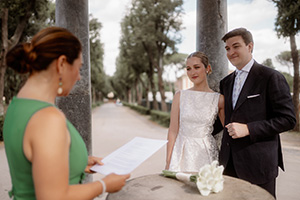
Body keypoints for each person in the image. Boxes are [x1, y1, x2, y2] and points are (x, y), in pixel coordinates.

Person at [3, 26, 130, 200]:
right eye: (79, 67)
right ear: (62, 64)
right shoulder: (48, 118)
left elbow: (34, 163)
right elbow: (53, 196)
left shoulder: (17, 106)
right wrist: (104, 185)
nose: (78, 77)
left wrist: (77, 163)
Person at [219, 27, 296, 197]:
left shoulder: (271, 77)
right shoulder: (225, 82)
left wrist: (248, 129)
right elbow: (224, 119)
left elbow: (288, 119)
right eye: (227, 48)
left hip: (258, 165)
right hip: (228, 164)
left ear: (250, 46)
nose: (231, 52)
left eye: (236, 46)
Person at [165, 51, 225, 172]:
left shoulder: (218, 99)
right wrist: (168, 161)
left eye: (197, 67)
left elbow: (228, 133)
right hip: (181, 151)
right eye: (188, 69)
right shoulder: (180, 96)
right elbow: (173, 131)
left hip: (206, 153)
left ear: (207, 68)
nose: (192, 72)